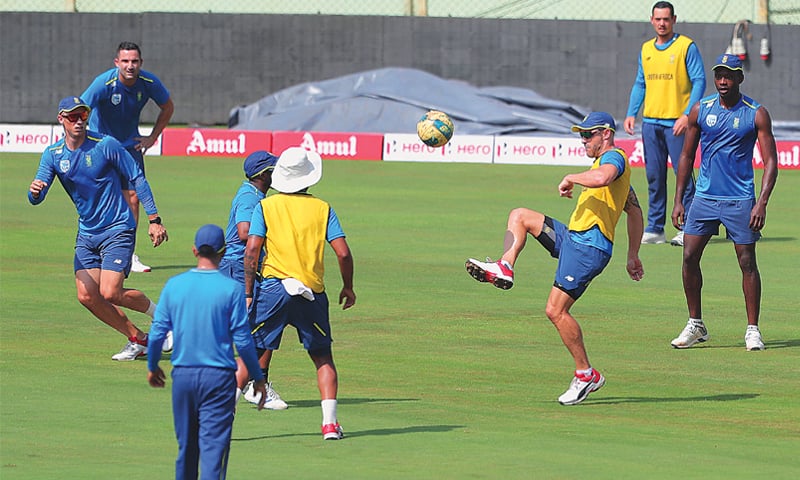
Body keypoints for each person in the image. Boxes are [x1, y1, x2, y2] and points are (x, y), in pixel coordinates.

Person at [465, 112, 645, 406]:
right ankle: (505, 266)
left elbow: (602, 178)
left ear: (607, 134)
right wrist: (633, 255)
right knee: (520, 216)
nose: (583, 140)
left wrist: (571, 177)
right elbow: (634, 210)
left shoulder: (615, 160)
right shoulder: (609, 168)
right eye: (581, 135)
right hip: (573, 238)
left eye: (588, 134)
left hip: (589, 247)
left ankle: (586, 374)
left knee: (555, 311)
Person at [28, 96, 171, 361]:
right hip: (87, 233)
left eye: (83, 116)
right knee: (86, 295)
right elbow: (38, 195)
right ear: (61, 120)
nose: (79, 121)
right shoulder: (53, 154)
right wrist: (34, 191)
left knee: (110, 292)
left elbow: (137, 177)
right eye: (73, 117)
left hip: (118, 227)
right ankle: (139, 339)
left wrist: (154, 220)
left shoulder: (105, 145)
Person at [243, 147, 356, 439]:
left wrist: (248, 290)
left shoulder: (266, 206)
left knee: (249, 356)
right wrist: (348, 286)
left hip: (273, 289)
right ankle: (330, 425)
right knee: (322, 358)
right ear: (309, 178)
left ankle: (219, 422)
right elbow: (343, 253)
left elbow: (252, 249)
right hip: (311, 292)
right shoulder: (323, 208)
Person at [670, 54, 778, 351]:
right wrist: (680, 199)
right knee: (689, 256)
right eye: (718, 75)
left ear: (739, 78)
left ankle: (752, 329)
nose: (722, 81)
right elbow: (686, 156)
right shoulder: (700, 109)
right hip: (704, 198)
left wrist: (762, 203)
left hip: (740, 199)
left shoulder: (756, 113)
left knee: (746, 262)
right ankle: (696, 324)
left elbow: (771, 162)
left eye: (729, 75)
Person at [147, 224, 267, 480]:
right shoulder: (232, 290)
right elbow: (244, 341)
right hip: (219, 379)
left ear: (194, 251)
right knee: (214, 451)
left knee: (187, 448)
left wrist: (153, 365)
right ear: (223, 253)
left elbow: (157, 332)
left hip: (184, 377)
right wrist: (257, 377)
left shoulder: (175, 285)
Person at [82, 41, 174, 273]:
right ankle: (95, 249)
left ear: (140, 63)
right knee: (100, 199)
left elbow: (168, 107)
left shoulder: (149, 82)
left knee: (133, 198)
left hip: (129, 147)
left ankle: (127, 254)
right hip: (101, 148)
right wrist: (87, 139)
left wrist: (152, 137)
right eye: (125, 61)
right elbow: (81, 109)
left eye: (134, 61)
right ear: (117, 63)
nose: (130, 65)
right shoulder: (103, 83)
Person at [624, 1, 705, 246]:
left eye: (666, 19)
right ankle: (655, 228)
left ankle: (689, 226)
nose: (662, 23)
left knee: (683, 176)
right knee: (654, 177)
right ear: (652, 20)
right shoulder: (646, 49)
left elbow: (699, 81)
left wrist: (686, 115)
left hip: (677, 125)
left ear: (674, 20)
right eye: (657, 19)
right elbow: (641, 83)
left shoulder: (686, 46)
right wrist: (631, 113)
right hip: (650, 124)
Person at [218, 150, 288, 410]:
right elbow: (244, 231)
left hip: (241, 267)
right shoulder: (250, 196)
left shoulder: (256, 194)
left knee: (259, 327)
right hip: (239, 267)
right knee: (261, 327)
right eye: (274, 169)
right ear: (263, 174)